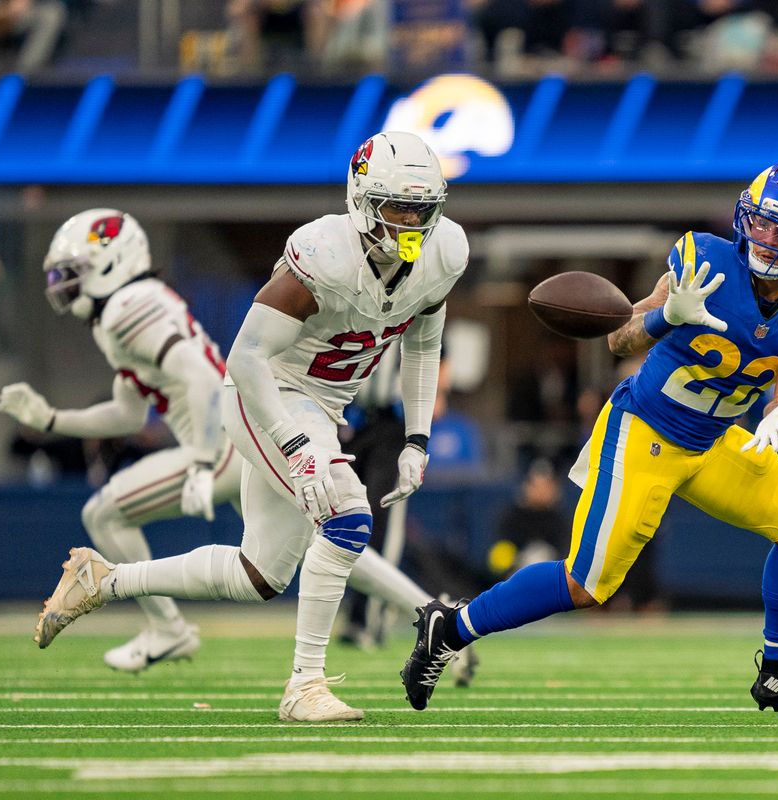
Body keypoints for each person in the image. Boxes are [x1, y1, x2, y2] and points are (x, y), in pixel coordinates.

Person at [32, 131, 470, 722]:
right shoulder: (323, 255)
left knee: (258, 574)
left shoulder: (443, 253)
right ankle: (305, 685)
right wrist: (296, 448)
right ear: (363, 201)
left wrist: (417, 437)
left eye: (423, 209)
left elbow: (423, 345)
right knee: (347, 515)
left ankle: (104, 579)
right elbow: (245, 359)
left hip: (325, 407)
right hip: (268, 394)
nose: (413, 223)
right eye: (398, 207)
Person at [401, 160, 778, 715]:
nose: (767, 239)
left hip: (715, 439)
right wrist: (667, 314)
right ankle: (449, 628)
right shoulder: (704, 262)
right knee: (587, 585)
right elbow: (620, 337)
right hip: (645, 430)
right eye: (761, 222)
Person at [0, 209, 236, 672]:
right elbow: (128, 414)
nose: (64, 285)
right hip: (237, 436)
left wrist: (203, 463)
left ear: (113, 263)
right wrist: (50, 418)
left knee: (103, 513)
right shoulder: (135, 306)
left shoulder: (126, 308)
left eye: (74, 274)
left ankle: (169, 628)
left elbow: (200, 382)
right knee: (322, 546)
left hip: (223, 443)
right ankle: (420, 612)